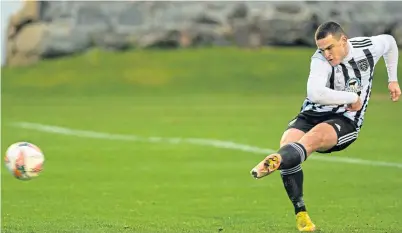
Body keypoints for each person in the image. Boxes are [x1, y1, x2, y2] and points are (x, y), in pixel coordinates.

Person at [250, 21, 401, 232]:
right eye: (322, 49)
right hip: (312, 113)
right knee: (288, 143)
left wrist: (392, 80)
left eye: (330, 48)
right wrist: (351, 96)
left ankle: (275, 160)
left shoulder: (367, 47)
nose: (326, 54)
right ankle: (301, 214)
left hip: (345, 120)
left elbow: (390, 42)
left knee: (313, 138)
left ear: (344, 40)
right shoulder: (319, 60)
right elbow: (316, 93)